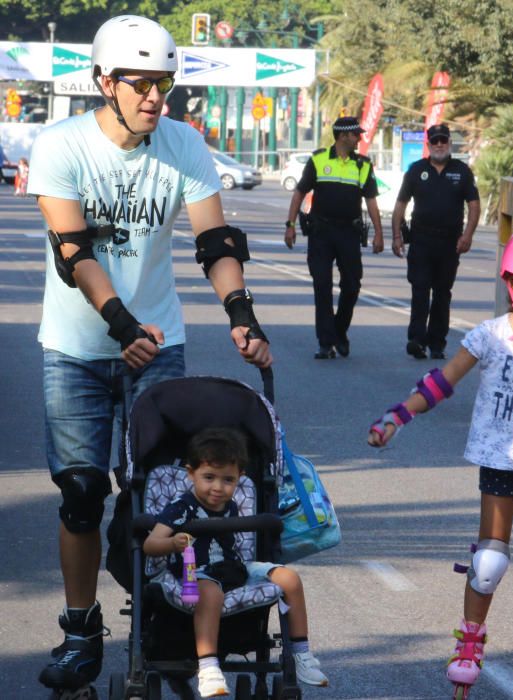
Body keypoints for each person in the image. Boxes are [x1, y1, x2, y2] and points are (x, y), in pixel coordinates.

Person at [27, 14, 271, 694]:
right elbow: (74, 251)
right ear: (105, 83)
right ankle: (80, 630)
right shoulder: (60, 145)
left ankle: (164, 625)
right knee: (81, 493)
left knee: (158, 494)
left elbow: (215, 242)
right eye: (139, 85)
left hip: (157, 347)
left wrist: (240, 314)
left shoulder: (183, 144)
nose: (154, 98)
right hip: (78, 347)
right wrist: (120, 323)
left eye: (163, 84)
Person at [368, 226, 513, 699]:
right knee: (490, 560)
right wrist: (398, 416)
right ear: (511, 285)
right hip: (499, 458)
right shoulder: (488, 337)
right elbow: (441, 382)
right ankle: (470, 642)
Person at [144, 427, 329, 698]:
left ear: (240, 478)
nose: (218, 488)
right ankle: (207, 667)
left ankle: (301, 655)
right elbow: (150, 544)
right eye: (209, 478)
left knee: (290, 579)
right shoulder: (182, 507)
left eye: (227, 480)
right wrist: (173, 543)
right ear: (190, 473)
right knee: (211, 592)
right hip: (195, 571)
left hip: (233, 568)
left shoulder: (231, 505)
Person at [284, 116, 384, 359]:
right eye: (355, 135)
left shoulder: (362, 165)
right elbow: (299, 192)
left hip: (349, 233)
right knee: (322, 286)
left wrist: (380, 234)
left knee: (352, 285)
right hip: (321, 233)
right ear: (342, 136)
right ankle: (325, 342)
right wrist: (290, 225)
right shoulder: (318, 160)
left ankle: (339, 330)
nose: (359, 138)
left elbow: (371, 201)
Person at [391, 123, 480, 360]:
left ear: (450, 143)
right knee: (420, 290)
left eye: (443, 140)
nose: (439, 145)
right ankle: (416, 340)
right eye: (435, 141)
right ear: (428, 144)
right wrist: (396, 236)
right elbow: (401, 204)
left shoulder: (461, 171)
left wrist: (468, 235)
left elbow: (473, 205)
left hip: (449, 243)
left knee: (442, 293)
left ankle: (437, 343)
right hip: (421, 239)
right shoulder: (416, 170)